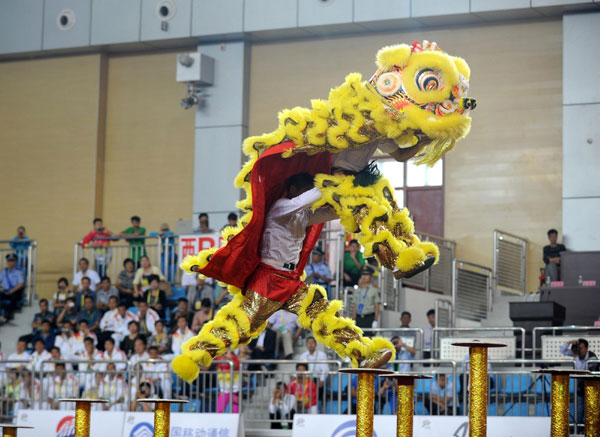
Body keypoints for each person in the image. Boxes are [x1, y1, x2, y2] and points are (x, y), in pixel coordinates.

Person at [173, 173, 394, 383]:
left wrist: (356, 197)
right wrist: (336, 182)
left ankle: (361, 353)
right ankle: (195, 354)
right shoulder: (280, 208)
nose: (308, 196)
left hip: (291, 281)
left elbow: (332, 213)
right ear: (293, 190)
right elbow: (309, 198)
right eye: (304, 191)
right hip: (267, 281)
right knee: (240, 326)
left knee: (324, 314)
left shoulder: (303, 214)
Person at [352, 266, 380, 330]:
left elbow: (377, 307)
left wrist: (376, 320)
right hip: (358, 317)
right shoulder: (357, 291)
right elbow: (355, 306)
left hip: (369, 318)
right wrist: (353, 319)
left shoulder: (374, 290)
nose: (364, 277)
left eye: (366, 274)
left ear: (370, 276)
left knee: (368, 338)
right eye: (362, 274)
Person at [0, 253, 25, 319]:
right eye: (9, 261)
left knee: (13, 297)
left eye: (12, 261)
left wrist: (12, 291)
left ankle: (8, 315)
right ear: (7, 262)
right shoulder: (4, 272)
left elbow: (21, 284)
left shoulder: (18, 272)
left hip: (14, 292)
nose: (11, 263)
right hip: (5, 292)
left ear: (15, 262)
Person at [215, 348, 241, 413]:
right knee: (219, 410)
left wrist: (230, 358)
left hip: (235, 390)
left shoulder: (234, 357)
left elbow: (236, 366)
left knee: (235, 411)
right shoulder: (218, 358)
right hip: (224, 390)